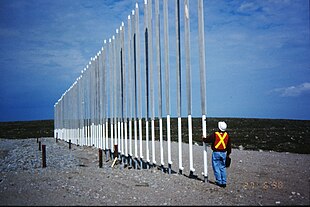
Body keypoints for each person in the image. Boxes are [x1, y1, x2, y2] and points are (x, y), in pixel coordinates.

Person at [202, 121, 231, 188]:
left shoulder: (215, 134)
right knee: (222, 167)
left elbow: (207, 140)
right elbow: (229, 146)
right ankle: (224, 182)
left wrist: (203, 138)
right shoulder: (227, 135)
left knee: (216, 167)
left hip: (216, 153)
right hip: (224, 153)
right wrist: (228, 154)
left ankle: (219, 181)